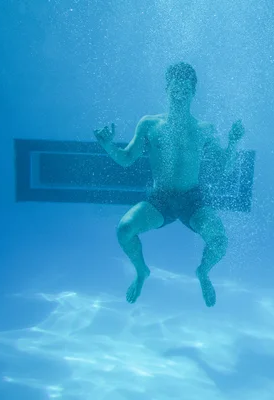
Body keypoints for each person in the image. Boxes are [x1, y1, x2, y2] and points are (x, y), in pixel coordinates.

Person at [94, 62, 245, 307]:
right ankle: (142, 271)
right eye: (176, 88)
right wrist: (108, 145)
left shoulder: (204, 130)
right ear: (167, 88)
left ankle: (203, 272)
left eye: (186, 89)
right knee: (124, 230)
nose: (180, 93)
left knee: (220, 242)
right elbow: (126, 159)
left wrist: (233, 142)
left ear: (193, 92)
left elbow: (224, 167)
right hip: (159, 200)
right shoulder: (149, 124)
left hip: (192, 200)